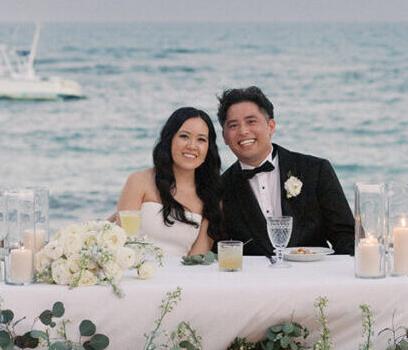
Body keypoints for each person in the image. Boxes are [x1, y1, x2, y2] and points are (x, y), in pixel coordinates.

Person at [217, 86, 355, 256]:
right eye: (233, 125)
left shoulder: (315, 171)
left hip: (313, 276)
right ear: (224, 136)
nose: (243, 131)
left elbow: (347, 237)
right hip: (255, 280)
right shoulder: (220, 189)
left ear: (271, 126)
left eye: (251, 121)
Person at [116, 107, 223, 258]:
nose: (192, 146)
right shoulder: (139, 181)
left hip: (181, 279)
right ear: (169, 139)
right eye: (184, 136)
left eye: (201, 139)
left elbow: (197, 260)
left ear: (208, 148)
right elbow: (121, 243)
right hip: (133, 275)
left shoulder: (211, 197)